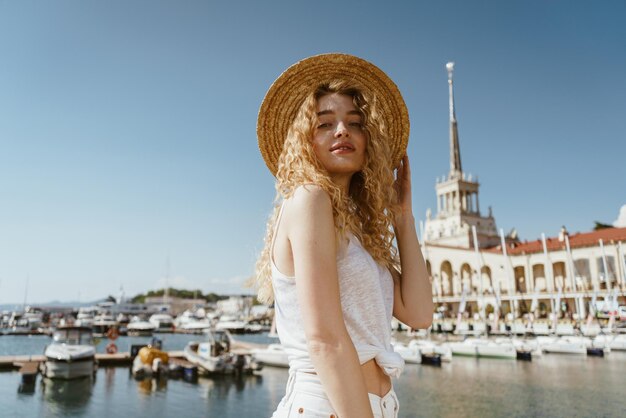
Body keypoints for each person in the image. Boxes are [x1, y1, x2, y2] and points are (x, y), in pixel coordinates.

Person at [253, 53, 433, 418]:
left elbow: (419, 313)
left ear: (368, 140)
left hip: (373, 406)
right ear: (305, 141)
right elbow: (325, 341)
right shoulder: (310, 198)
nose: (341, 130)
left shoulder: (358, 229)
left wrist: (402, 218)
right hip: (329, 406)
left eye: (355, 122)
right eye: (324, 124)